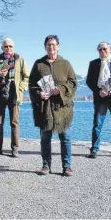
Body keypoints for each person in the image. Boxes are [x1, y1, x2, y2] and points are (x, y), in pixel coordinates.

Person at [29, 35, 77, 176]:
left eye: (54, 44)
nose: (51, 47)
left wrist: (61, 89)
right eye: (49, 44)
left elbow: (73, 83)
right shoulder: (39, 64)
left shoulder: (66, 64)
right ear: (45, 47)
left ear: (58, 46)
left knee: (66, 138)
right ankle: (45, 165)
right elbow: (31, 84)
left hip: (63, 109)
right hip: (46, 108)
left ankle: (67, 166)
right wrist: (39, 94)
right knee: (45, 138)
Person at [0, 38, 29, 157]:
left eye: (10, 46)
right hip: (0, 93)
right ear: (2, 48)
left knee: (14, 122)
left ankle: (15, 148)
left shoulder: (19, 59)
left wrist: (21, 88)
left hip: (14, 94)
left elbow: (26, 77)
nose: (8, 48)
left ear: (13, 47)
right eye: (6, 46)